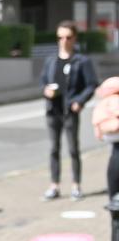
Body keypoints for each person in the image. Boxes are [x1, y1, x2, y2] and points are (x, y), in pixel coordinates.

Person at [40, 21, 98, 200]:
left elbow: (91, 84)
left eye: (68, 37)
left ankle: (76, 186)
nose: (64, 41)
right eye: (60, 37)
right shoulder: (51, 60)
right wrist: (46, 90)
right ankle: (54, 185)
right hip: (53, 110)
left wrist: (79, 101)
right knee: (53, 149)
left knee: (73, 149)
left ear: (74, 39)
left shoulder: (82, 61)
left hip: (70, 110)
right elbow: (43, 81)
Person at [90, 76, 119, 198]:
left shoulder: (103, 103)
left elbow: (96, 122)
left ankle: (113, 200)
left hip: (110, 136)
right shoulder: (115, 100)